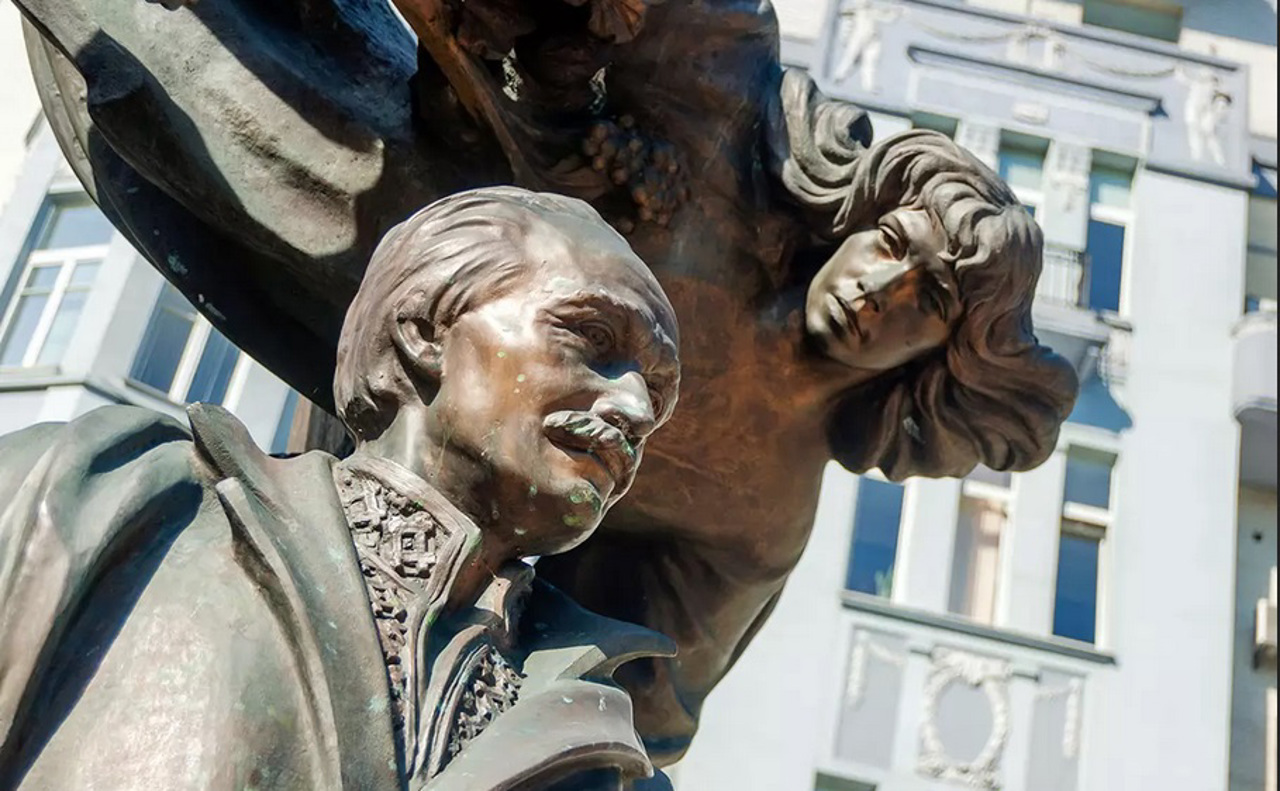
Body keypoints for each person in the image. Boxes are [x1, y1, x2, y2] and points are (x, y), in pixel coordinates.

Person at [0, 187, 682, 790]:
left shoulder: (610, 756)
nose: (637, 409)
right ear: (423, 332)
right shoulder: (95, 495)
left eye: (655, 390)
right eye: (591, 335)